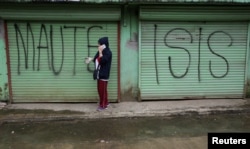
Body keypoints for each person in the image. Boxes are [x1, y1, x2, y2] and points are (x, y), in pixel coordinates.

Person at [93, 37, 112, 111]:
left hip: (104, 74)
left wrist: (100, 52)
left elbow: (102, 61)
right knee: (101, 90)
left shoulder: (108, 52)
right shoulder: (100, 51)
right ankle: (105, 102)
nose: (98, 45)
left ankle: (103, 105)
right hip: (99, 74)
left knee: (102, 91)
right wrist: (91, 59)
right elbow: (96, 59)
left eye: (99, 44)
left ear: (103, 45)